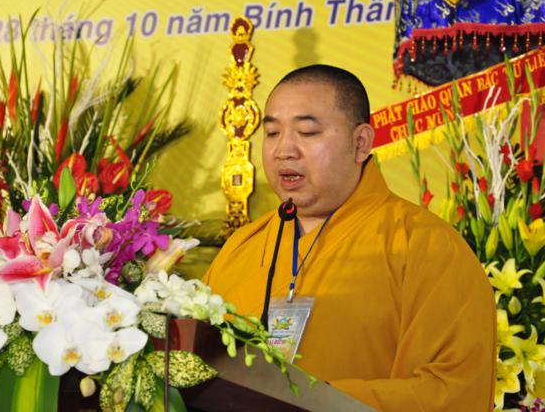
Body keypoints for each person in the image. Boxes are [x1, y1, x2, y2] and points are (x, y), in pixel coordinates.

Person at [203, 64, 496, 412]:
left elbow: (455, 389)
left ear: (360, 143)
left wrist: (313, 401)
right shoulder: (242, 247)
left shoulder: (425, 246)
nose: (284, 150)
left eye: (307, 132)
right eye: (272, 133)